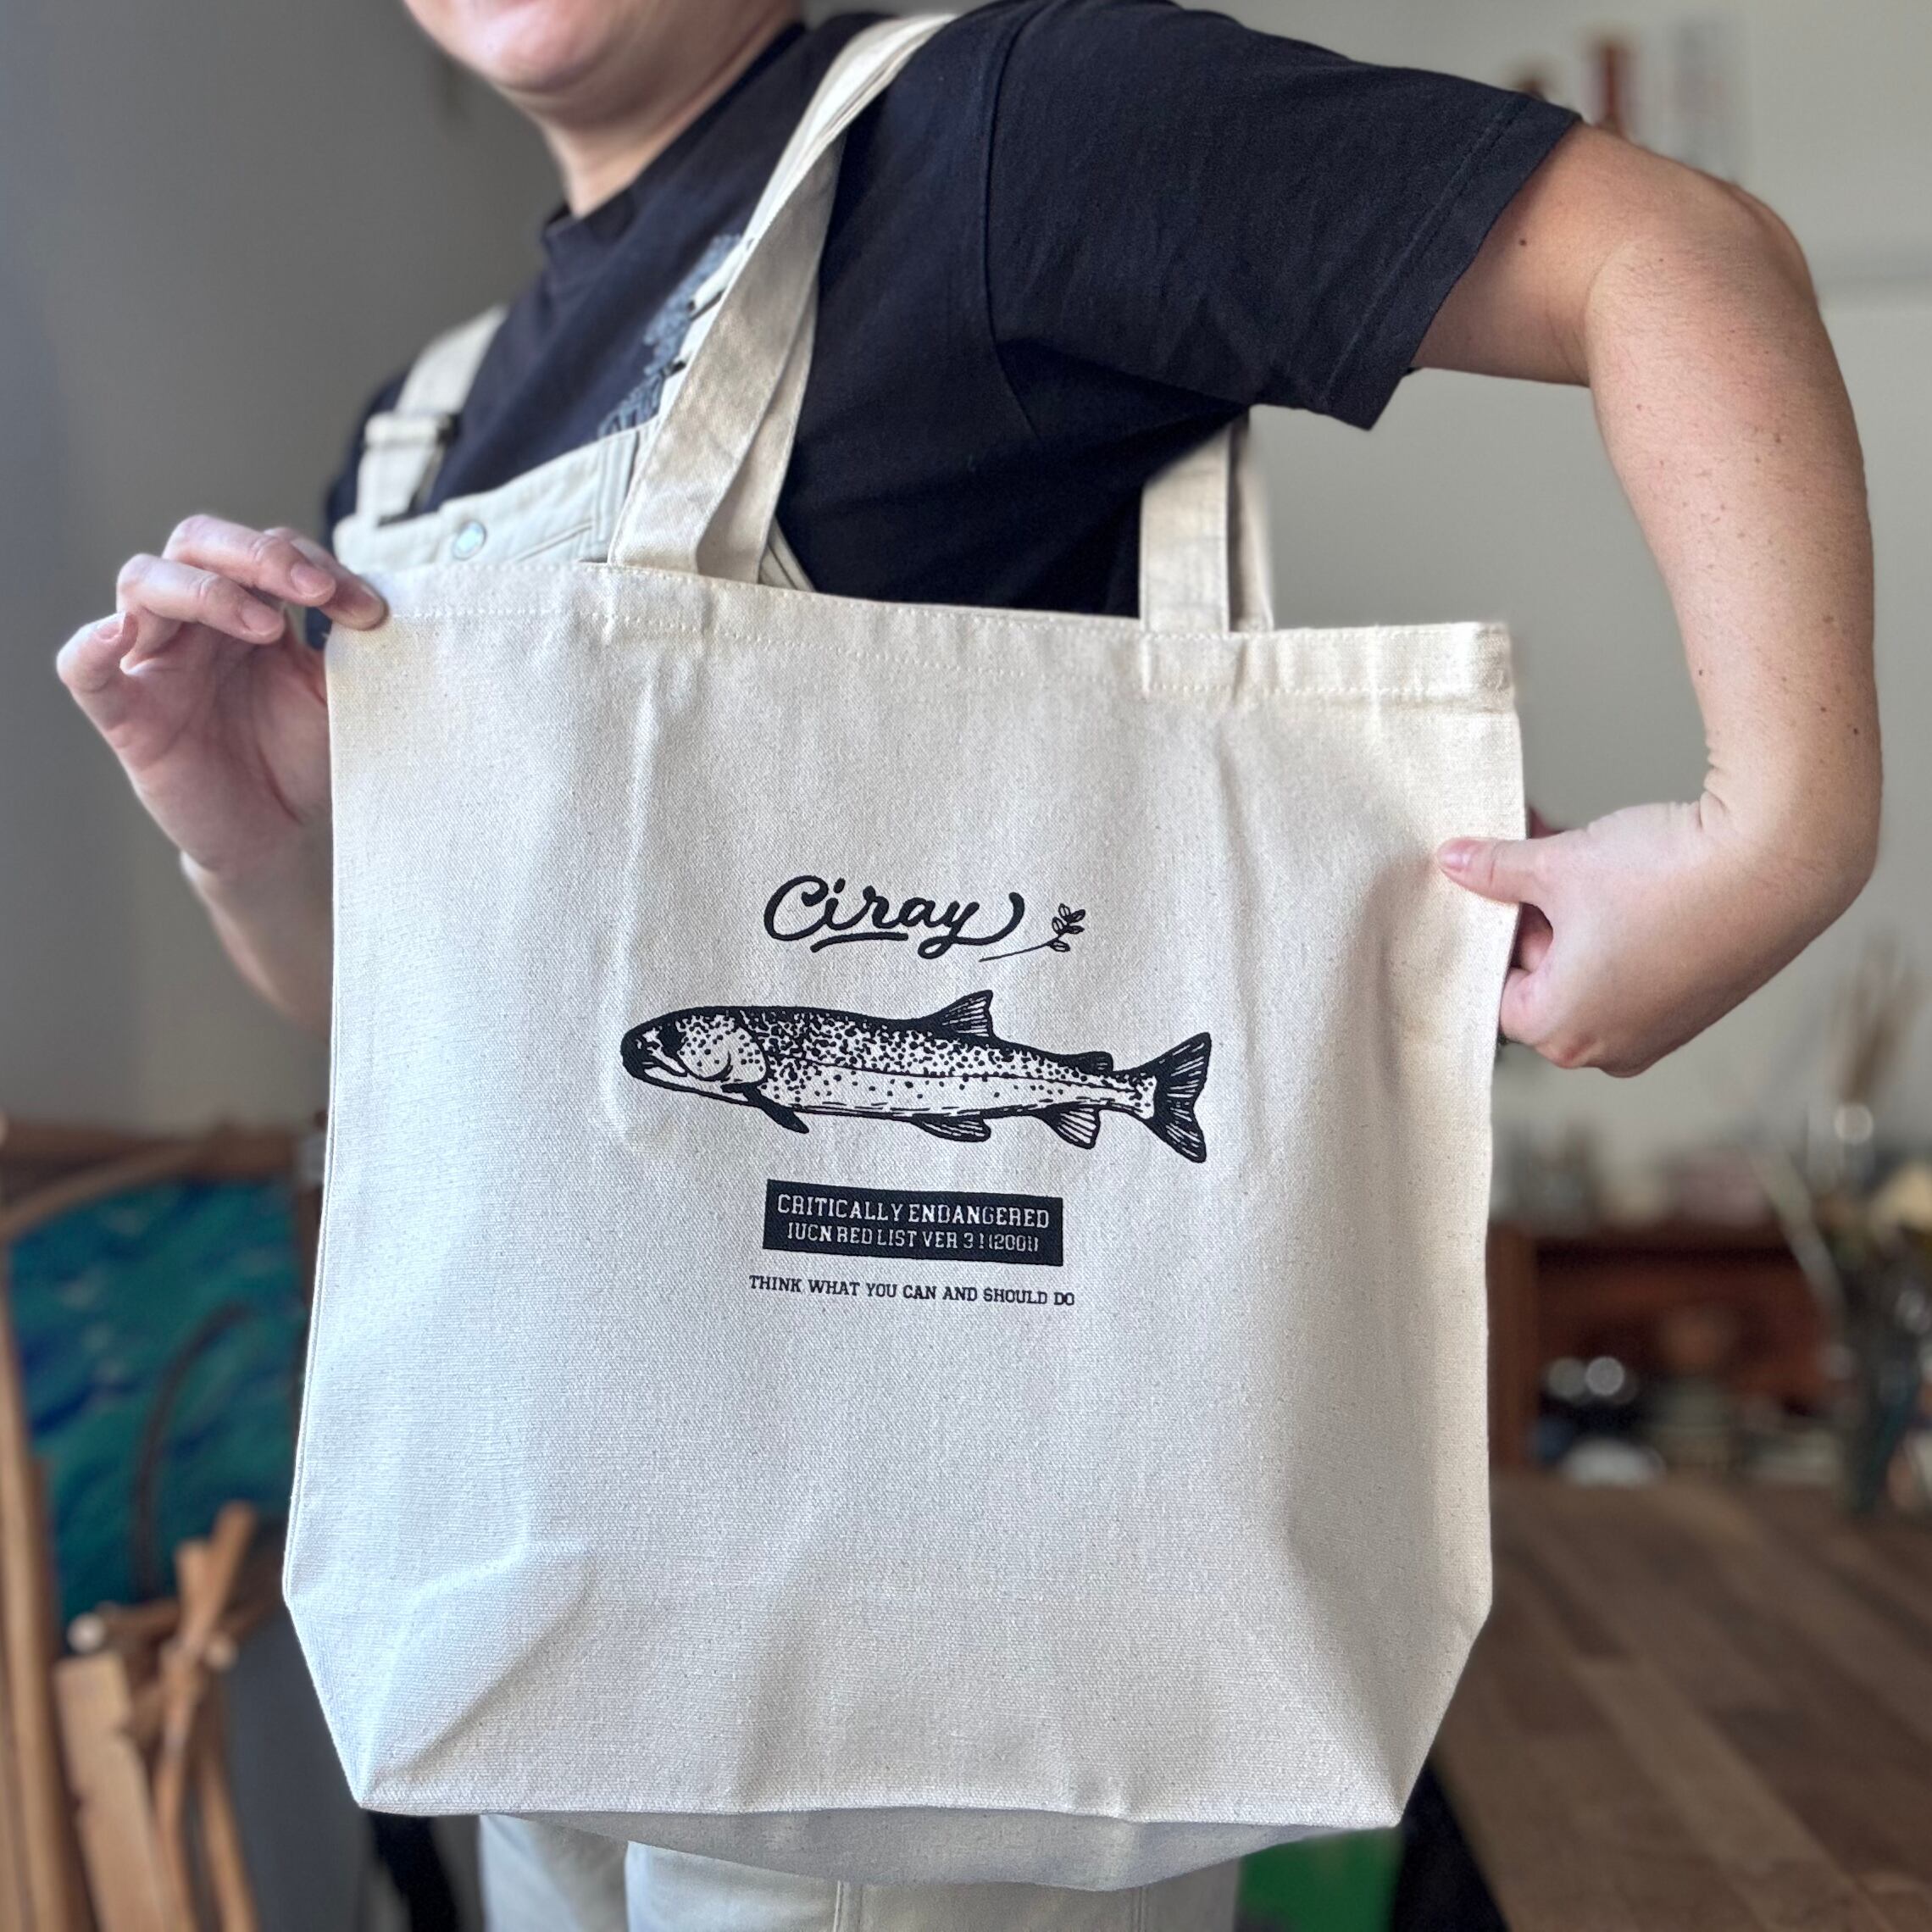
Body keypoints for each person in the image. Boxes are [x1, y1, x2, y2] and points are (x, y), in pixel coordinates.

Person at [58, 0, 1879, 1924]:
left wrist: (1784, 830)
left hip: (939, 1647)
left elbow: (1673, 247)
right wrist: (239, 839)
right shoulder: (418, 433)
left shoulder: (1002, 132)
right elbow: (422, 1041)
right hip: (543, 1591)